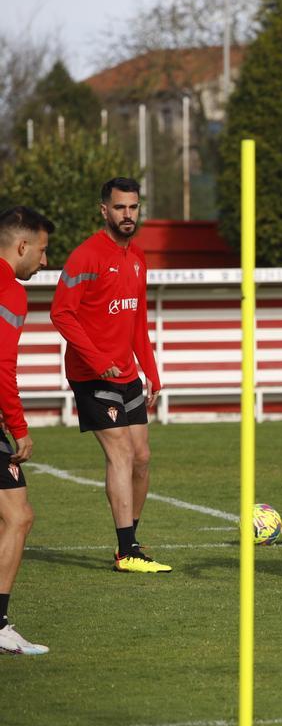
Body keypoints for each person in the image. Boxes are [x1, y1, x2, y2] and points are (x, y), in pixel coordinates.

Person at [50, 178, 168, 573]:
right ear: (104, 210)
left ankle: (130, 540)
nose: (128, 214)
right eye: (120, 207)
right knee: (119, 452)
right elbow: (61, 313)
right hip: (91, 374)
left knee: (142, 458)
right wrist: (99, 360)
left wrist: (150, 370)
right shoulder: (86, 256)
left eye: (133, 207)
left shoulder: (138, 257)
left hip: (128, 374)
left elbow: (136, 320)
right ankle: (126, 551)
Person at [0, 207, 53, 654]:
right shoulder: (10, 292)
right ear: (22, 247)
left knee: (18, 514)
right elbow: (2, 365)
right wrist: (19, 427)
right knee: (18, 517)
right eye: (42, 250)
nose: (44, 260)